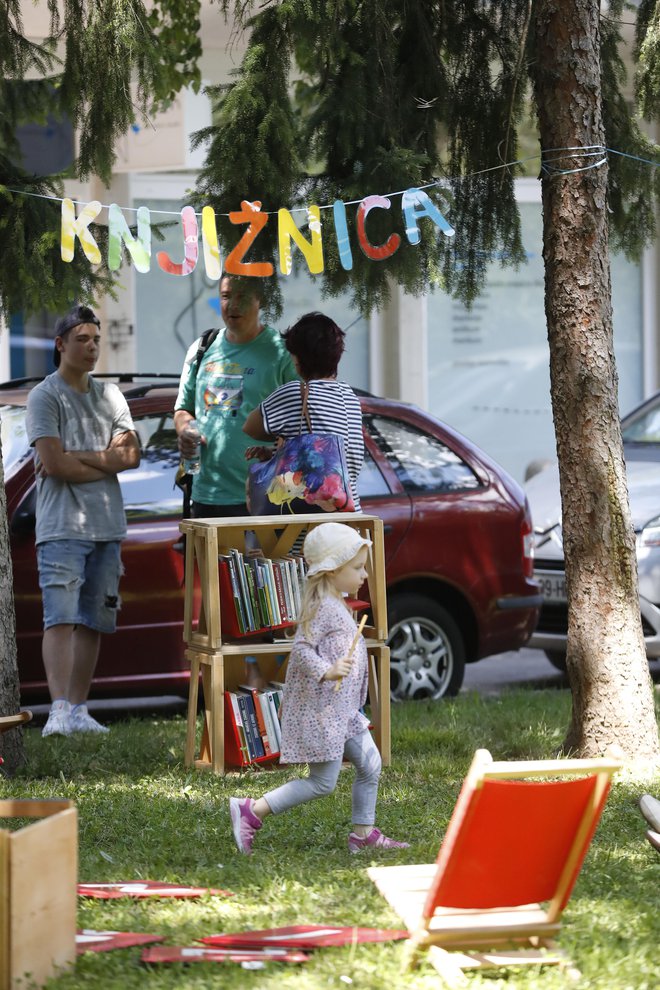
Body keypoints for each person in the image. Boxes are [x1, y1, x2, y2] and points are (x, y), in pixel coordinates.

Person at [229, 522, 409, 855]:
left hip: (343, 711)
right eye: (356, 568)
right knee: (322, 783)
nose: (364, 575)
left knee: (370, 764)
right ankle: (251, 811)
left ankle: (363, 834)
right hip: (323, 713)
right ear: (331, 570)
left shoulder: (336, 601)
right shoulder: (323, 607)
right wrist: (327, 671)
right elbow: (301, 649)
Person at [26, 304, 141, 737]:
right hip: (60, 528)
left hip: (107, 526)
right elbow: (53, 465)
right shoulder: (46, 395)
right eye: (82, 340)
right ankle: (57, 710)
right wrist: (104, 461)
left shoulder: (110, 395)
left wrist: (78, 455)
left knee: (95, 619)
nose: (92, 348)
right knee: (60, 617)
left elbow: (131, 454)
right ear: (61, 344)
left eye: (96, 339)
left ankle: (78, 708)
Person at [174, 274, 299, 517]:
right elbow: (183, 409)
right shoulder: (202, 348)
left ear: (259, 300)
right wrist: (185, 429)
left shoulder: (282, 353)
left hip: (264, 495)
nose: (232, 305)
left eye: (242, 297)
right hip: (205, 494)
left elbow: (302, 420)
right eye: (225, 296)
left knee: (256, 558)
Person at [242, 311, 364, 512]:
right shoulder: (350, 396)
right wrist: (277, 453)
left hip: (309, 529)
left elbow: (250, 427)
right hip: (350, 523)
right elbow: (324, 452)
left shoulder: (296, 393)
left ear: (299, 358)